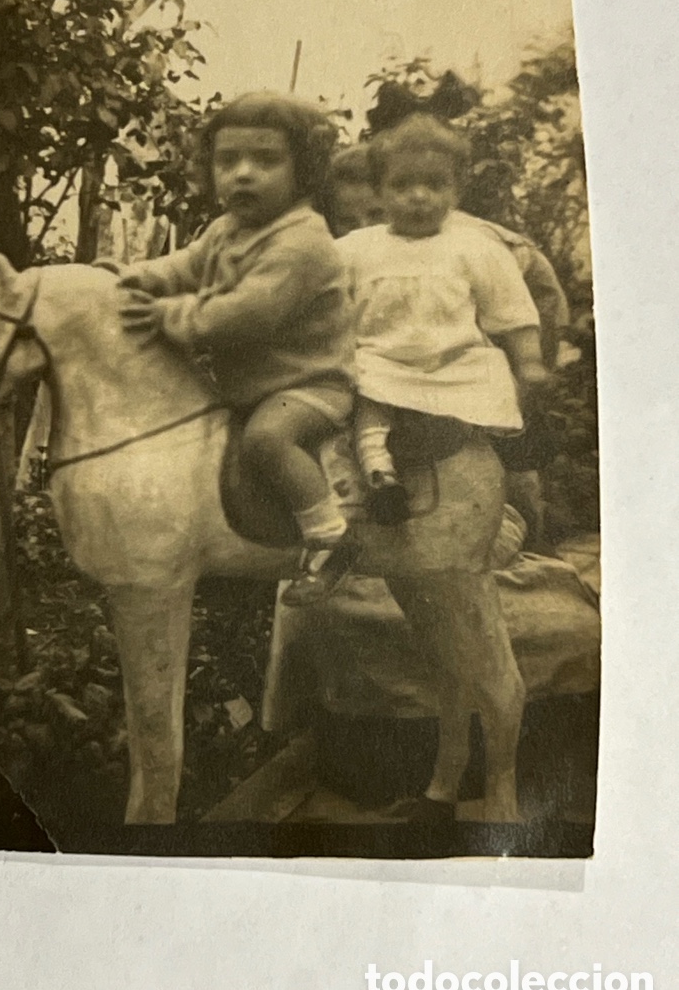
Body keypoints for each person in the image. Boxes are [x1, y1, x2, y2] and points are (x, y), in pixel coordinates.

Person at [117, 92, 358, 605]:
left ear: (305, 170)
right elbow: (184, 265)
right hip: (249, 389)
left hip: (309, 385)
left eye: (266, 160)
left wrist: (166, 315)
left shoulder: (303, 243)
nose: (243, 174)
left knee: (267, 440)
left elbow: (246, 313)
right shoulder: (228, 230)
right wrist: (134, 277)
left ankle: (329, 536)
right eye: (228, 161)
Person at [336, 114, 550, 524]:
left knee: (495, 395)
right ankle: (381, 476)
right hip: (381, 360)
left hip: (455, 363)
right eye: (401, 185)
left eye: (435, 185)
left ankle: (515, 495)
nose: (419, 197)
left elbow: (509, 308)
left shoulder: (475, 246)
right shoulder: (355, 249)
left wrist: (529, 360)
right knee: (368, 400)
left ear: (455, 190)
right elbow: (326, 301)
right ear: (379, 191)